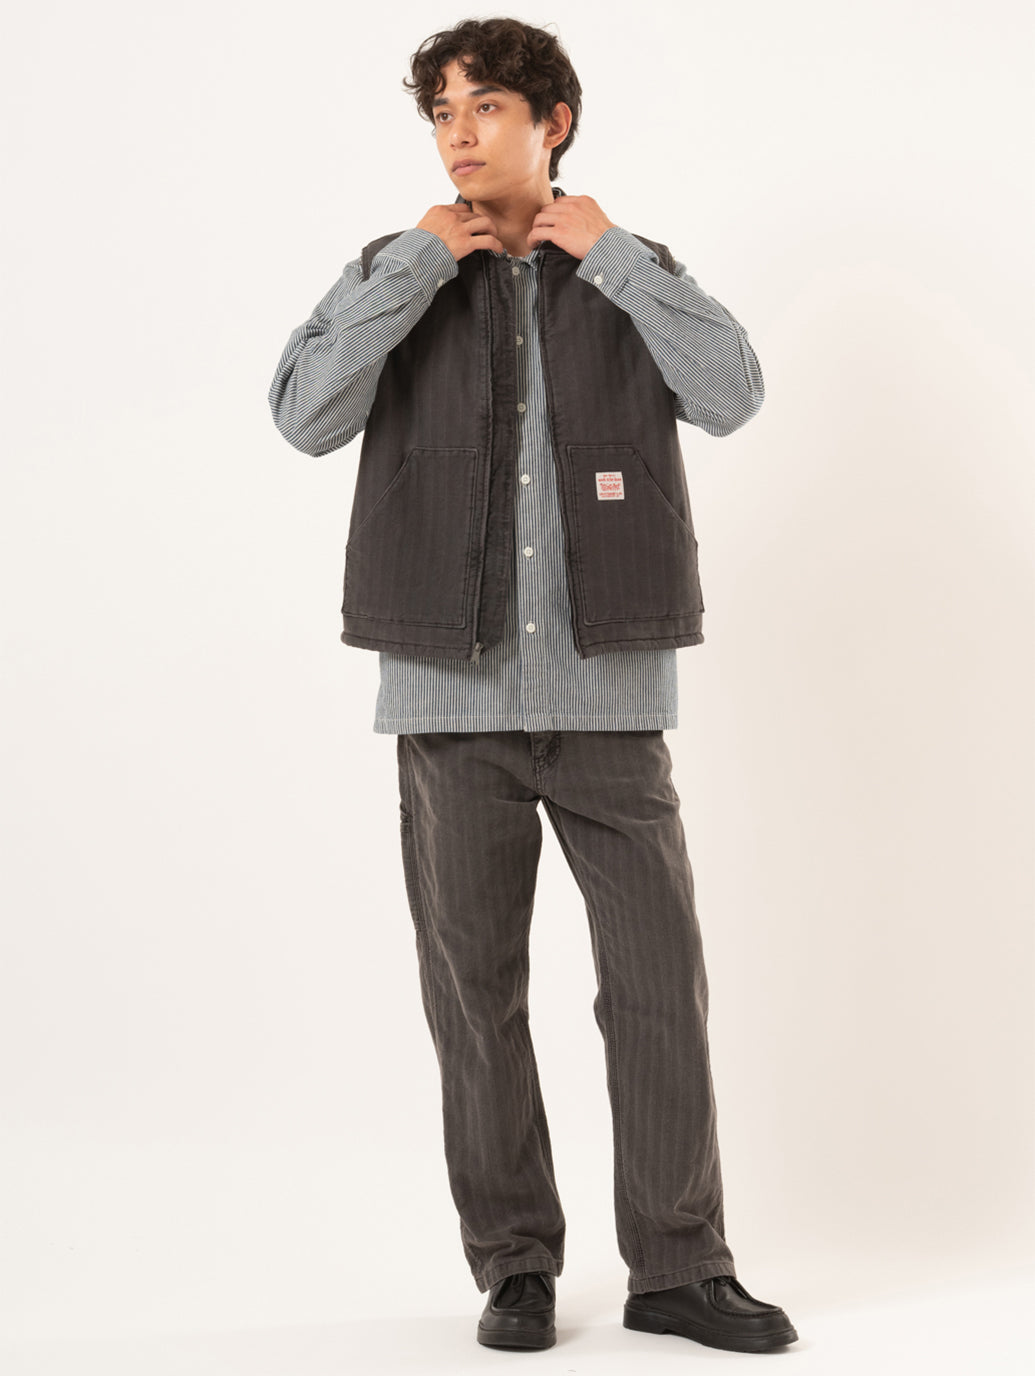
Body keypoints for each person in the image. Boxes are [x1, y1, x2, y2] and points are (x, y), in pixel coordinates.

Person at [268, 16, 797, 1355]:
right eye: (442, 112)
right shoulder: (395, 272)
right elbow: (304, 414)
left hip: (609, 698)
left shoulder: (631, 268)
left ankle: (680, 1267)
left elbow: (732, 393)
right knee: (477, 999)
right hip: (449, 706)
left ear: (552, 121)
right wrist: (412, 266)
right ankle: (515, 1266)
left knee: (657, 989)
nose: (459, 132)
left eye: (488, 106)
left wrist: (614, 257)